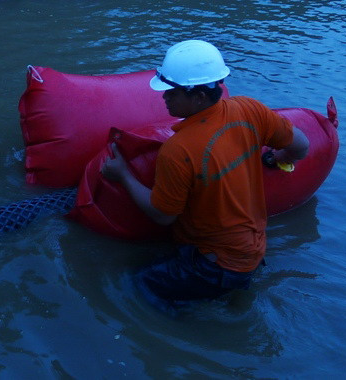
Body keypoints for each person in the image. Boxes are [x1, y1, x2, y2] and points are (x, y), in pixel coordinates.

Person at [102, 39, 310, 308]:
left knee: (134, 287)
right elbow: (302, 146)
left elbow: (163, 215)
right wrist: (277, 158)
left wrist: (124, 176)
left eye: (172, 92)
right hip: (254, 251)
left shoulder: (178, 150)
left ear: (199, 97)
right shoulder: (250, 109)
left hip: (216, 265)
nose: (164, 97)